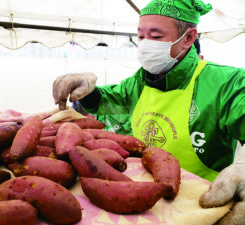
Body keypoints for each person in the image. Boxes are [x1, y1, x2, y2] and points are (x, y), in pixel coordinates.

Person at [52, 0, 245, 224]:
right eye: (141, 36)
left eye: (155, 36)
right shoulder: (141, 80)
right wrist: (87, 92)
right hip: (142, 199)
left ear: (189, 38)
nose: (144, 45)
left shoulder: (227, 82)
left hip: (200, 205)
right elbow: (110, 103)